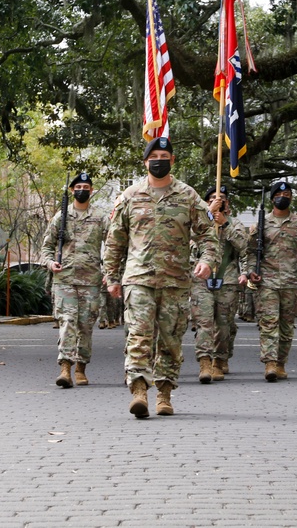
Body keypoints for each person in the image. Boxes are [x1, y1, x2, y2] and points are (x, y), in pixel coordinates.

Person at [104, 137, 220, 418]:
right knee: (138, 337)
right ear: (145, 162)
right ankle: (140, 391)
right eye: (153, 155)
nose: (159, 159)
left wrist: (207, 261)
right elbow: (115, 241)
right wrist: (112, 276)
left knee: (170, 340)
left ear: (172, 160)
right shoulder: (129, 197)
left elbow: (208, 234)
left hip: (175, 282)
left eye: (164, 155)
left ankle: (164, 394)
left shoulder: (188, 196)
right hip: (138, 280)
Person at [43, 172, 109, 388]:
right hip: (65, 279)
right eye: (78, 186)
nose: (82, 189)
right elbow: (46, 247)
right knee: (67, 322)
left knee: (85, 326)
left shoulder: (101, 217)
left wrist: (110, 271)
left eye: (86, 186)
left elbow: (113, 245)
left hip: (91, 279)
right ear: (72, 190)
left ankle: (81, 367)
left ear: (91, 190)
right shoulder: (60, 217)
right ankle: (65, 368)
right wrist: (51, 263)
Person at [246, 181, 297, 382]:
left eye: (287, 194)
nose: (284, 197)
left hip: (290, 282)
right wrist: (251, 271)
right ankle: (269, 363)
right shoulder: (261, 224)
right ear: (272, 198)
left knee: (286, 325)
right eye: (280, 194)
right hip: (266, 282)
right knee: (269, 323)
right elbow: (251, 252)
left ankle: (280, 363)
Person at [190, 185, 248, 383]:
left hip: (227, 280)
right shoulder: (197, 223)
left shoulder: (235, 223)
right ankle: (205, 362)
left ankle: (219, 359)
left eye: (221, 198)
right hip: (202, 279)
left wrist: (225, 225)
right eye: (213, 198)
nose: (217, 200)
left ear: (227, 203)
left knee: (224, 325)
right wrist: (207, 216)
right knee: (204, 322)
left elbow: (244, 246)